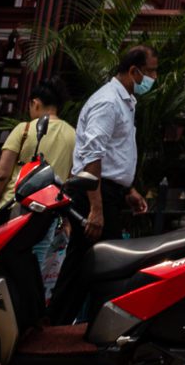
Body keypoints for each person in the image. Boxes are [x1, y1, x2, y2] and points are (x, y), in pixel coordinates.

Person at [50, 41, 155, 318]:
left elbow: (111, 155)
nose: (153, 79)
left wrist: (127, 190)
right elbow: (92, 157)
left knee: (98, 267)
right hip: (95, 195)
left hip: (108, 193)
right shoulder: (108, 102)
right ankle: (58, 327)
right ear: (134, 71)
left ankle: (76, 325)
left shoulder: (124, 102)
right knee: (91, 265)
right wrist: (96, 208)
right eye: (151, 72)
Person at [0, 76, 77, 230]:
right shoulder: (73, 135)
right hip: (48, 216)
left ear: (35, 104)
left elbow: (1, 175)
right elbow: (70, 180)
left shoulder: (24, 129)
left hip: (12, 210)